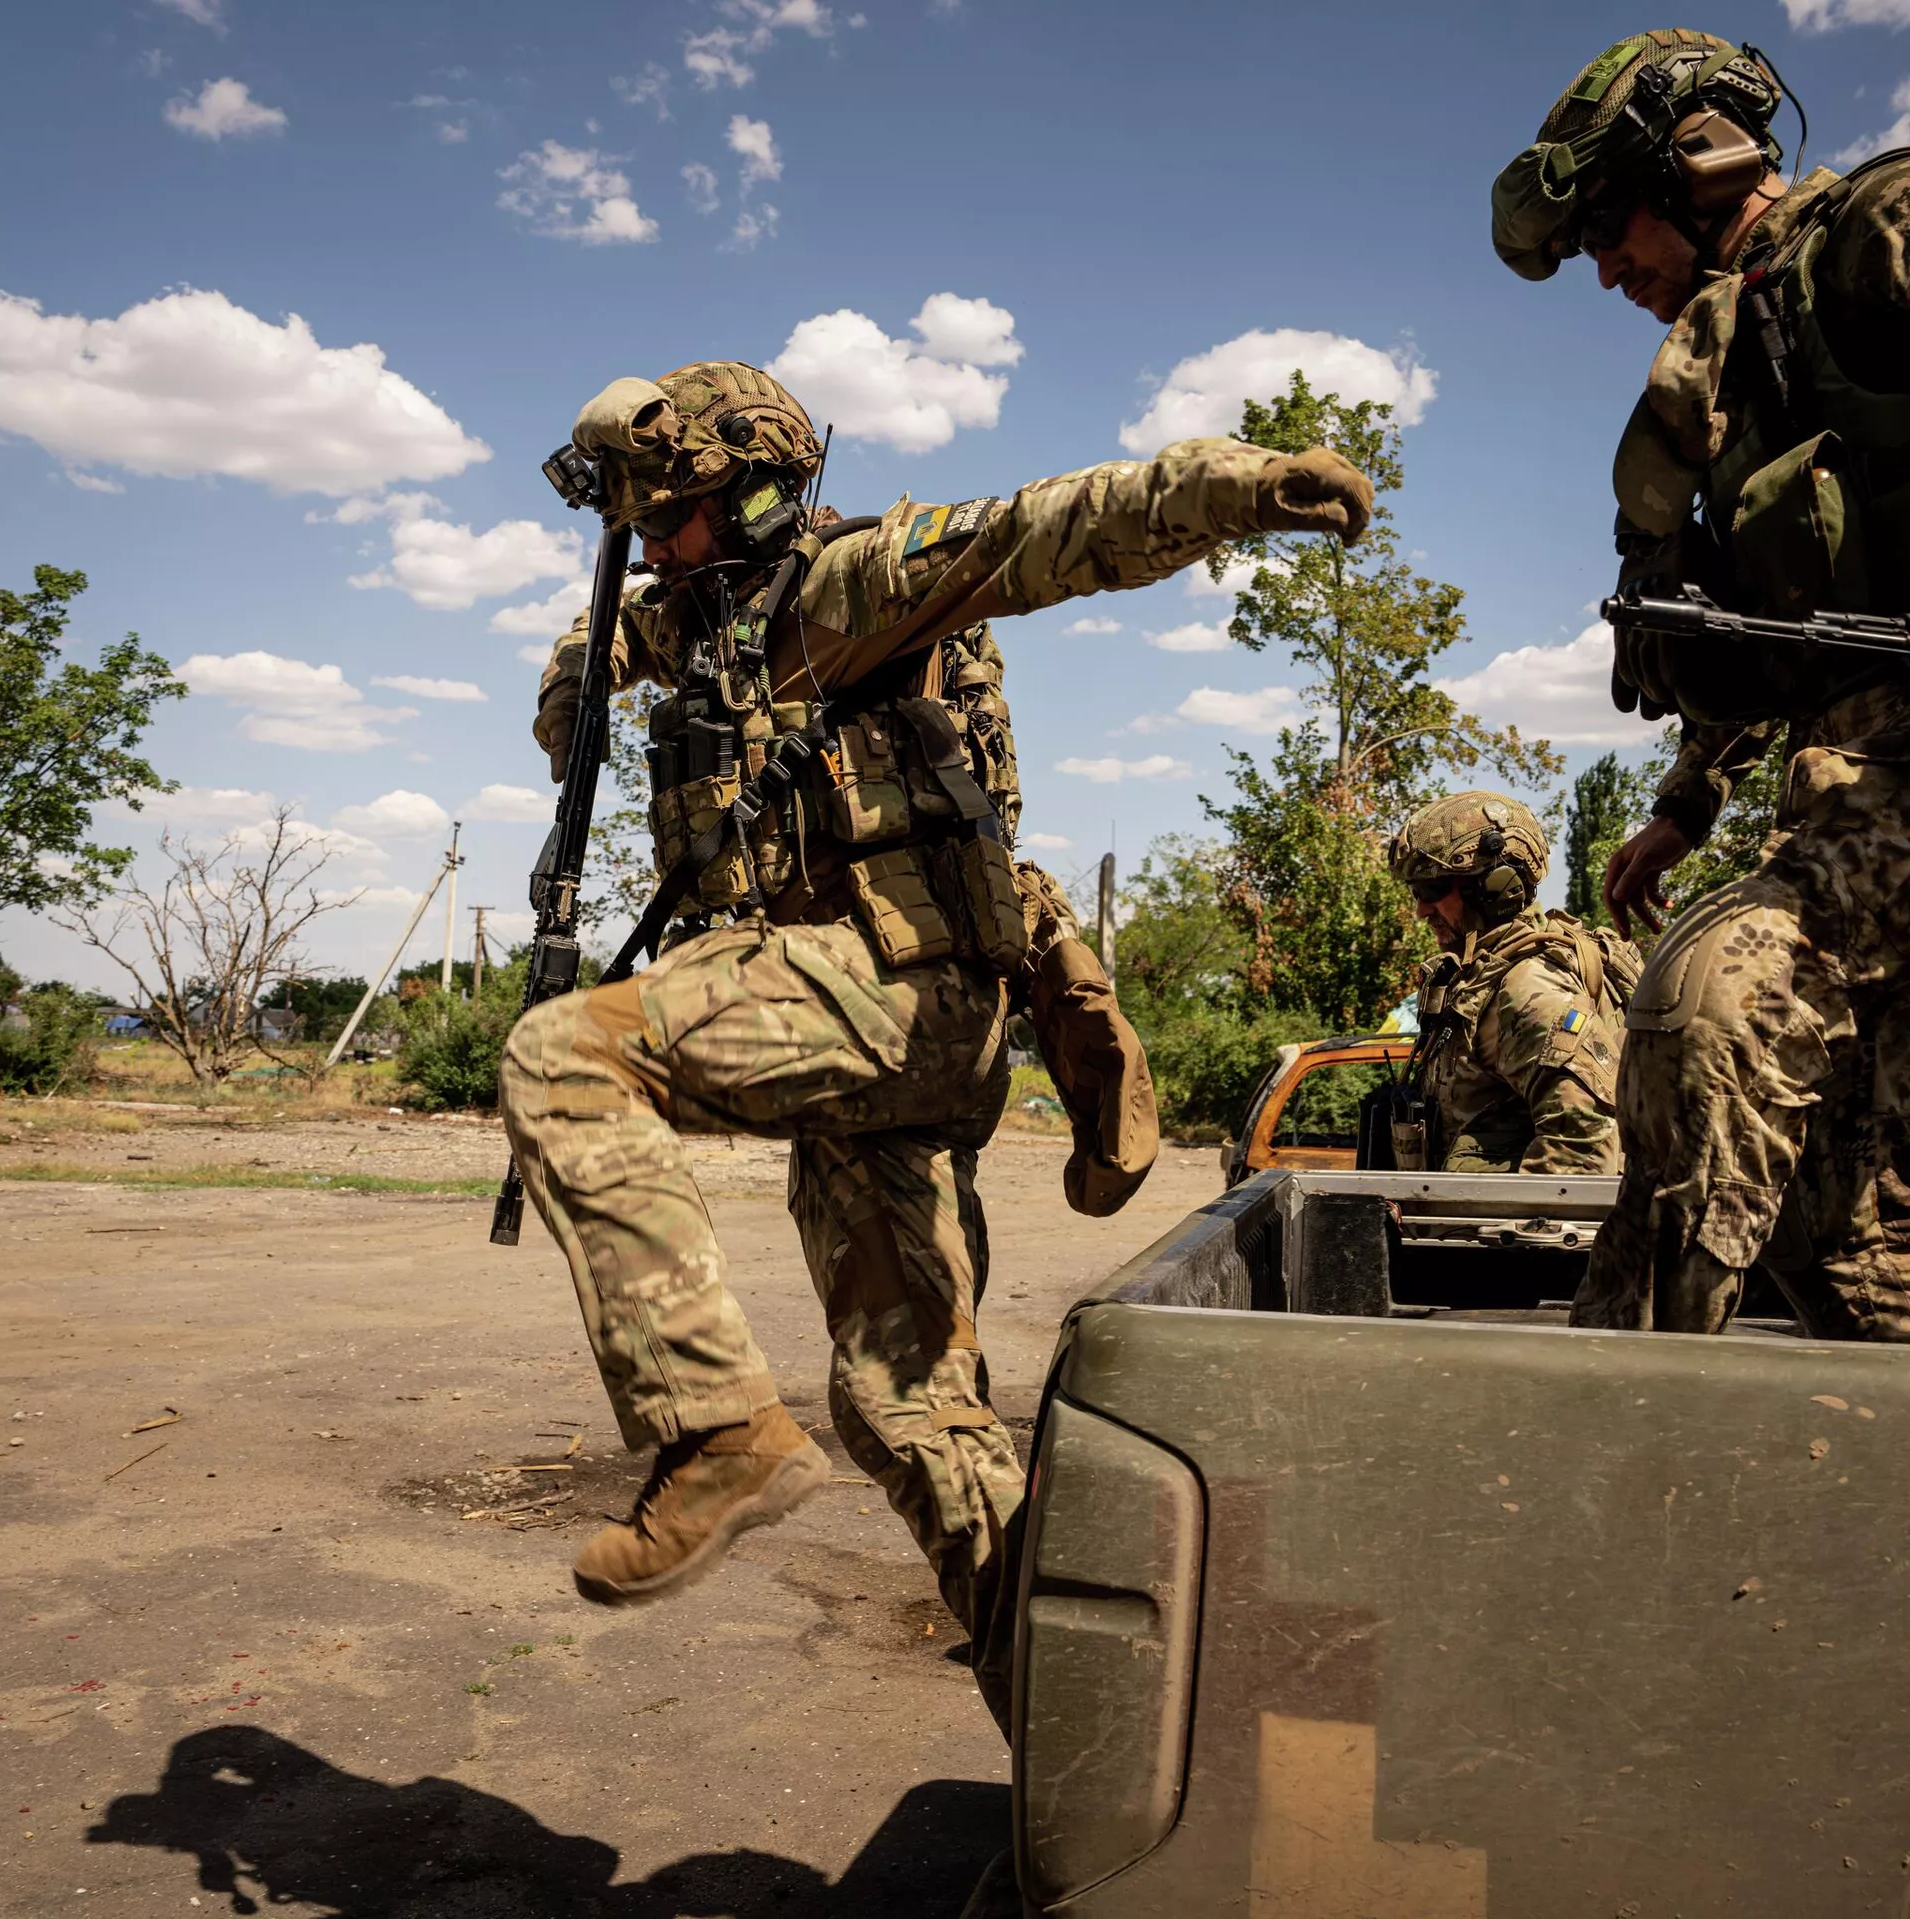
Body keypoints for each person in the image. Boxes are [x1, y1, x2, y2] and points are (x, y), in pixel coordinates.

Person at [499, 358, 1373, 1731]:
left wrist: (1238, 485)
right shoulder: (706, 616)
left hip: (900, 999)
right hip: (862, 1038)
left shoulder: (848, 586)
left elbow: (1045, 528)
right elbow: (599, 645)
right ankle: (1104, 1742)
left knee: (564, 1055)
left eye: (669, 516)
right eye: (637, 525)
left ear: (756, 491)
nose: (652, 547)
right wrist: (581, 674)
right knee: (906, 1404)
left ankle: (713, 1427)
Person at [1492, 30, 1910, 1337]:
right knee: (1843, 1230)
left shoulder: (1874, 237)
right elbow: (1783, 623)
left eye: (1611, 224)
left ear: (1701, 162)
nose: (1605, 267)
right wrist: (1688, 797)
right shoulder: (1738, 352)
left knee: (1709, 1009)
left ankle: (1630, 1418)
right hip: (1850, 787)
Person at [1385, 792, 1633, 1175]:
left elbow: (1581, 1155)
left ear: (1494, 886)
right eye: (1415, 892)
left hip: (1505, 1216)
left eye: (1432, 890)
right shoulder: (1479, 975)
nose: (1420, 910)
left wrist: (1512, 1212)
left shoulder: (1530, 989)